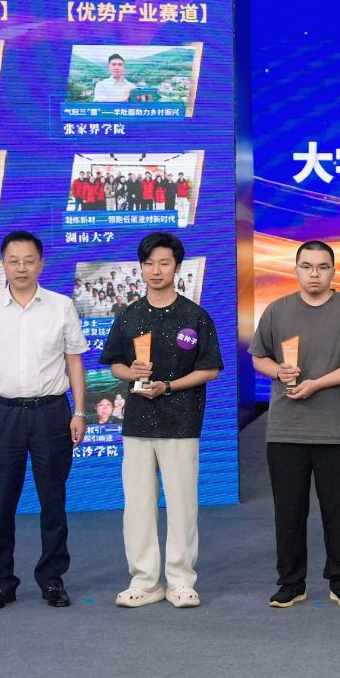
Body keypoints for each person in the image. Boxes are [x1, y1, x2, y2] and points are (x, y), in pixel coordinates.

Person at [0, 231, 88, 610]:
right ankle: (2, 582)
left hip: (52, 413)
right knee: (2, 502)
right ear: (3, 264)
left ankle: (52, 579)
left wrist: (79, 412)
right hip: (2, 416)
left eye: (29, 260)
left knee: (53, 500)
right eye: (13, 261)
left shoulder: (61, 306)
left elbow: (74, 362)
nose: (21, 267)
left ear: (40, 264)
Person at [249, 240, 340, 608]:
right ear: (295, 269)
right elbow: (259, 357)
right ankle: (292, 583)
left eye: (323, 267)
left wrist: (318, 383)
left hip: (333, 428)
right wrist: (278, 371)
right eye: (307, 266)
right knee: (289, 512)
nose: (314, 274)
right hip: (285, 429)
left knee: (337, 510)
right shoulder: (277, 310)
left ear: (333, 271)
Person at [100, 232, 224, 610]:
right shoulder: (130, 315)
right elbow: (116, 364)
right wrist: (132, 372)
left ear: (177, 267)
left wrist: (168, 386)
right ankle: (144, 580)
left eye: (164, 263)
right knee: (138, 505)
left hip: (182, 421)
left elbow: (210, 369)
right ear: (141, 268)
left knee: (183, 504)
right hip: (137, 422)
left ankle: (181, 581)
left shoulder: (194, 316)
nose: (156, 270)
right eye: (149, 263)